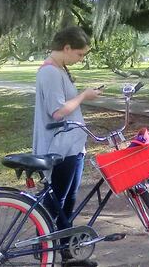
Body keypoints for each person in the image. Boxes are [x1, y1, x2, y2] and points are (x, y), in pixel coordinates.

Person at [33, 26, 101, 266]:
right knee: (57, 201)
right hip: (59, 147)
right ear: (67, 48)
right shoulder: (50, 72)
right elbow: (58, 112)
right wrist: (83, 95)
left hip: (72, 145)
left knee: (68, 201)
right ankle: (45, 248)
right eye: (80, 55)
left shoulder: (60, 69)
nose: (80, 60)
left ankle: (66, 253)